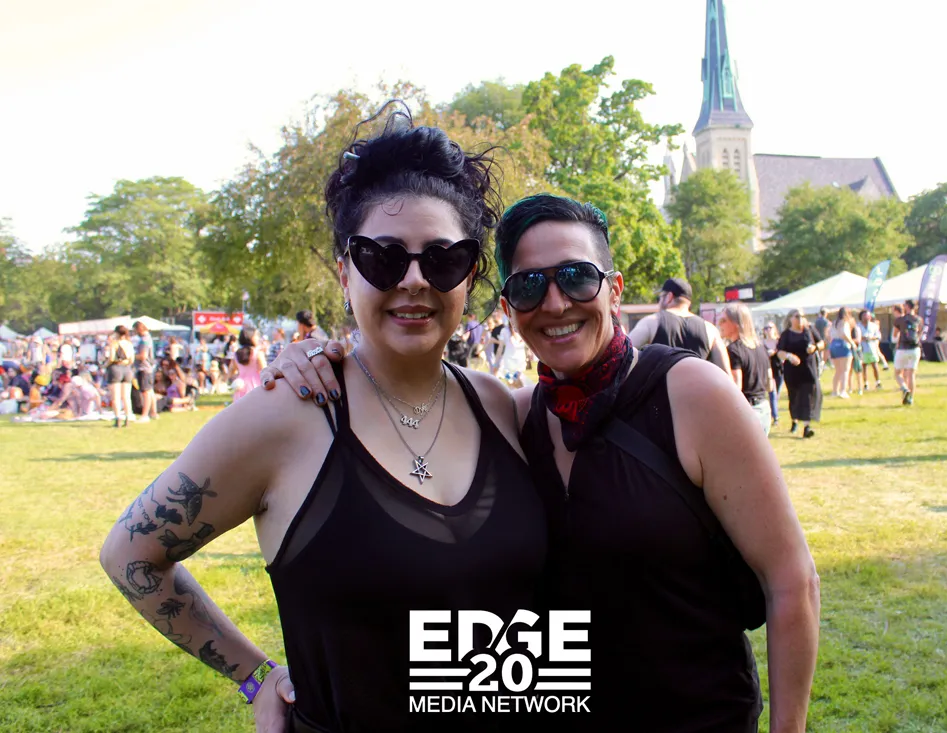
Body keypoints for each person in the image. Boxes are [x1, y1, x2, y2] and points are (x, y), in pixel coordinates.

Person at [271, 193, 821, 732]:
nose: (555, 304)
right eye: (530, 286)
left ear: (614, 290)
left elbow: (791, 580)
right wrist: (315, 356)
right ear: (509, 310)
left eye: (577, 277)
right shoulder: (513, 419)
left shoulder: (691, 394)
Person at [101, 108, 545, 732]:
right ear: (344, 273)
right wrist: (255, 675)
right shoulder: (286, 415)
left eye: (443, 259)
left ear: (469, 277)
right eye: (382, 258)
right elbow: (131, 554)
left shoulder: (503, 406)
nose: (414, 280)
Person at [628, 277, 731, 372]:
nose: (658, 302)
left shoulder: (651, 322)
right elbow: (726, 375)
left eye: (660, 298)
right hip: (696, 386)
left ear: (669, 297)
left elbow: (623, 354)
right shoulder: (710, 329)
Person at [717, 303, 775, 435]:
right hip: (764, 409)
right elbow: (770, 385)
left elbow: (735, 388)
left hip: (747, 412)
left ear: (736, 324)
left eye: (723, 320)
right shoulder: (761, 347)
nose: (720, 324)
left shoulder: (733, 350)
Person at [776, 309, 825, 438]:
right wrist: (789, 356)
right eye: (797, 316)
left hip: (808, 368)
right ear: (790, 318)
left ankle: (807, 427)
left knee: (809, 396)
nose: (800, 319)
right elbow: (779, 352)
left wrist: (815, 347)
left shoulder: (810, 330)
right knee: (795, 397)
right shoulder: (786, 334)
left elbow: (821, 343)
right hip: (793, 371)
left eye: (802, 316)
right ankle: (794, 421)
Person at [893, 299, 923, 406]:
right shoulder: (919, 319)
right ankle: (911, 399)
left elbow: (895, 335)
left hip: (902, 348)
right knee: (911, 374)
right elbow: (920, 332)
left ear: (906, 307)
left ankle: (905, 388)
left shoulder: (900, 320)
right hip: (914, 348)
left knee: (898, 373)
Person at [105, 325, 135, 428]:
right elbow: (132, 359)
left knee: (116, 396)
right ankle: (127, 417)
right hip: (127, 369)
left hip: (116, 368)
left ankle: (117, 418)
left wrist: (105, 365)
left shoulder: (114, 343)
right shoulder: (129, 344)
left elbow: (111, 358)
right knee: (126, 396)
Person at [228, 326, 267, 401]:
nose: (258, 338)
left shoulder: (237, 354)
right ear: (251, 337)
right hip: (256, 384)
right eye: (256, 336)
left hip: (241, 386)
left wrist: (235, 378)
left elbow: (231, 370)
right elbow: (264, 370)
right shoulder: (257, 353)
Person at [828, 307, 857, 399]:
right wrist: (851, 342)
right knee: (845, 370)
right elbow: (843, 333)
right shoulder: (844, 322)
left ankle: (834, 391)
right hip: (843, 345)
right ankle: (843, 391)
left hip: (833, 345)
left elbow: (829, 335)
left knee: (838, 371)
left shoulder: (834, 323)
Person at [762, 321, 783, 427]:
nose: (768, 330)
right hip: (768, 371)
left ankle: (773, 412)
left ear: (774, 329)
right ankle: (775, 417)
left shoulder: (779, 342)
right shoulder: (762, 343)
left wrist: (775, 352)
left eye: (770, 327)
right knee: (772, 394)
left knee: (777, 394)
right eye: (766, 328)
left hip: (779, 370)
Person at [857, 310, 883, 392]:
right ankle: (866, 383)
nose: (867, 317)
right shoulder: (858, 326)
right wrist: (862, 338)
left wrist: (871, 338)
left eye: (868, 316)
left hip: (872, 347)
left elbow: (878, 336)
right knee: (863, 366)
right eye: (865, 316)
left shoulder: (873, 326)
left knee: (874, 365)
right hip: (862, 348)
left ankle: (878, 382)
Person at [134, 342, 158, 423]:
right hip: (148, 369)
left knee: (146, 392)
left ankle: (145, 415)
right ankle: (153, 412)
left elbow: (143, 356)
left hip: (144, 369)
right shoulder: (148, 340)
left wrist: (132, 356)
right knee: (150, 391)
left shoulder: (144, 341)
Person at [813, 308, 831, 375]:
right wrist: (827, 339)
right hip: (824, 339)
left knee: (820, 352)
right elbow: (826, 331)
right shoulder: (826, 322)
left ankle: (820, 364)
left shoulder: (816, 321)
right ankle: (823, 364)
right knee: (825, 352)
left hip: (817, 339)